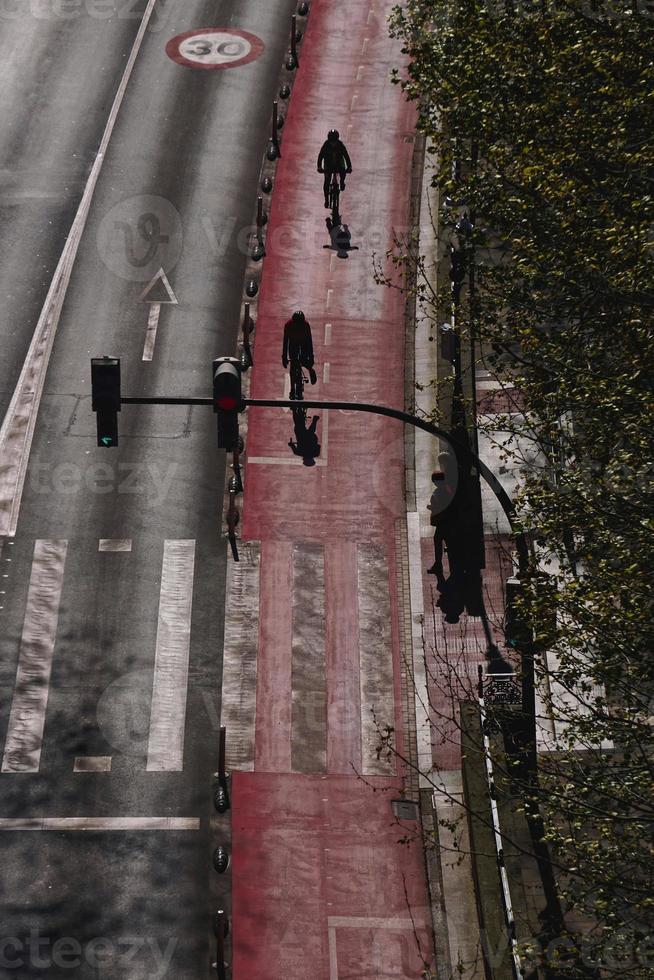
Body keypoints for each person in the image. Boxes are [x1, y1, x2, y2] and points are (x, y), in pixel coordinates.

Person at [317, 129, 352, 208]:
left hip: (339, 163)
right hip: (328, 165)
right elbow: (320, 156)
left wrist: (349, 167)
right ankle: (326, 199)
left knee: (343, 172)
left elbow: (346, 156)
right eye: (331, 141)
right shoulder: (325, 145)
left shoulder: (341, 145)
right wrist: (319, 167)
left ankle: (342, 182)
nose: (333, 143)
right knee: (327, 181)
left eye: (335, 141)